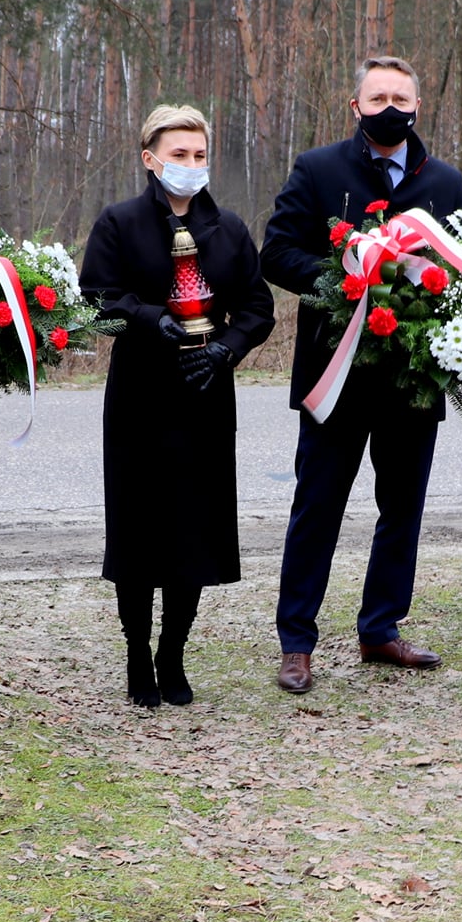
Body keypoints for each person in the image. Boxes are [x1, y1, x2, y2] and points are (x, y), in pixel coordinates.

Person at [260, 56, 462, 695]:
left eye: (400, 96)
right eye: (376, 96)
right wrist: (344, 274)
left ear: (418, 106)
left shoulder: (446, 182)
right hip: (336, 374)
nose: (389, 106)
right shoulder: (319, 169)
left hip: (412, 379)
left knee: (401, 509)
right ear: (356, 106)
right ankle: (297, 642)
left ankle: (380, 628)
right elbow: (276, 251)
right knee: (316, 509)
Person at [80, 105, 276, 707]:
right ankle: (137, 652)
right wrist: (147, 319)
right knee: (141, 532)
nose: (190, 166)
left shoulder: (231, 230)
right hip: (140, 394)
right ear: (150, 159)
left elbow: (258, 309)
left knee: (193, 531)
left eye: (199, 155)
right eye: (178, 155)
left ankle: (173, 653)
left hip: (204, 395)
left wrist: (226, 350)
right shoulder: (118, 223)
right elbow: (95, 299)